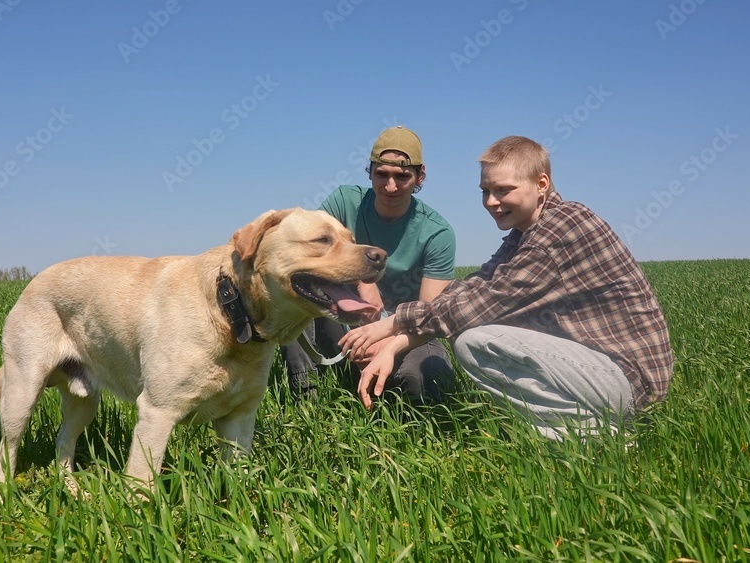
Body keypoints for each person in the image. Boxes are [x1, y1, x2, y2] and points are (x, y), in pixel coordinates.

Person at [342, 135, 674, 439]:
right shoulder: (528, 233)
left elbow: (480, 305)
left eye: (503, 190)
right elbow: (474, 286)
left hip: (629, 381)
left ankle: (597, 437)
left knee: (476, 341)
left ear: (541, 184)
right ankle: (558, 429)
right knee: (472, 328)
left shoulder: (557, 233)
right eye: (485, 191)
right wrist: (393, 345)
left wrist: (391, 324)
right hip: (604, 371)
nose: (491, 201)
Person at [281, 125, 458, 404]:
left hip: (407, 335)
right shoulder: (344, 202)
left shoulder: (438, 233)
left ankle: (392, 398)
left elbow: (428, 316)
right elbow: (307, 253)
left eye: (402, 176)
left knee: (424, 379)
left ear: (420, 176)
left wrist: (385, 343)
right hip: (345, 320)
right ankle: (306, 396)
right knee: (296, 288)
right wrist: (362, 279)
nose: (390, 186)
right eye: (382, 174)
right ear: (370, 171)